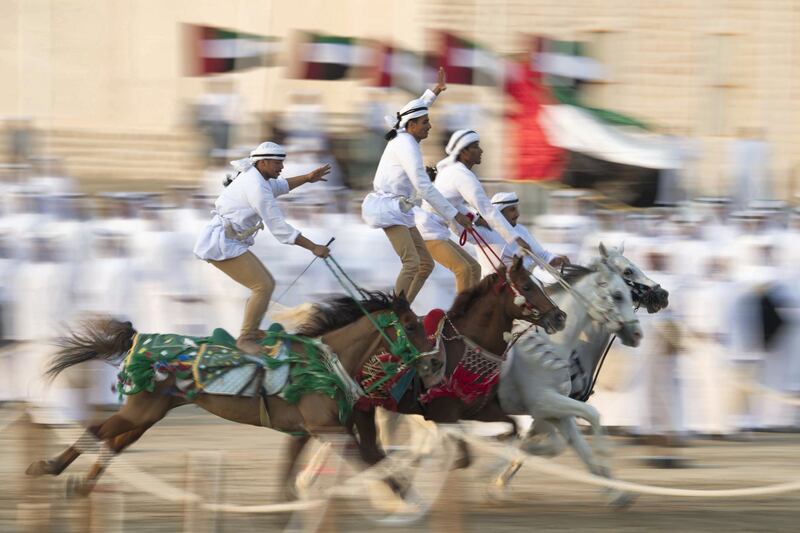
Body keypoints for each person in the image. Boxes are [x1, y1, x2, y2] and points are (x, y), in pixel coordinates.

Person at [193, 141, 331, 355]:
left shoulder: (259, 178)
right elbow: (279, 227)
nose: (282, 167)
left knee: (266, 284)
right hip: (222, 243)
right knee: (263, 286)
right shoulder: (256, 186)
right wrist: (314, 247)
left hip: (232, 241)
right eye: (278, 163)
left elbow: (282, 185)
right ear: (263, 162)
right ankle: (246, 337)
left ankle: (252, 331)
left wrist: (307, 178)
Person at [361, 68, 473, 302]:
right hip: (388, 209)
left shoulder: (404, 132)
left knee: (425, 265)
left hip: (401, 209)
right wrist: (454, 215)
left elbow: (414, 107)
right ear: (412, 126)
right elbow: (424, 188)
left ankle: (403, 310)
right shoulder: (406, 144)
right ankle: (393, 315)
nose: (429, 127)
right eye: (425, 123)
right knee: (411, 264)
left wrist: (435, 92)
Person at [415, 129, 532, 293]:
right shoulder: (462, 175)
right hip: (427, 231)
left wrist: (476, 219)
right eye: (476, 147)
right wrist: (516, 239)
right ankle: (462, 315)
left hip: (435, 230)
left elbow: (455, 206)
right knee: (463, 269)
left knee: (474, 268)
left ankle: (471, 309)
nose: (481, 151)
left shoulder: (455, 171)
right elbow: (488, 210)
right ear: (464, 152)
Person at [471, 192, 569, 277]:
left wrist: (557, 260)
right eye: (512, 210)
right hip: (495, 290)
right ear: (499, 213)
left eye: (517, 209)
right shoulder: (485, 231)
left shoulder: (521, 230)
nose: (517, 214)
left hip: (524, 285)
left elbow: (541, 257)